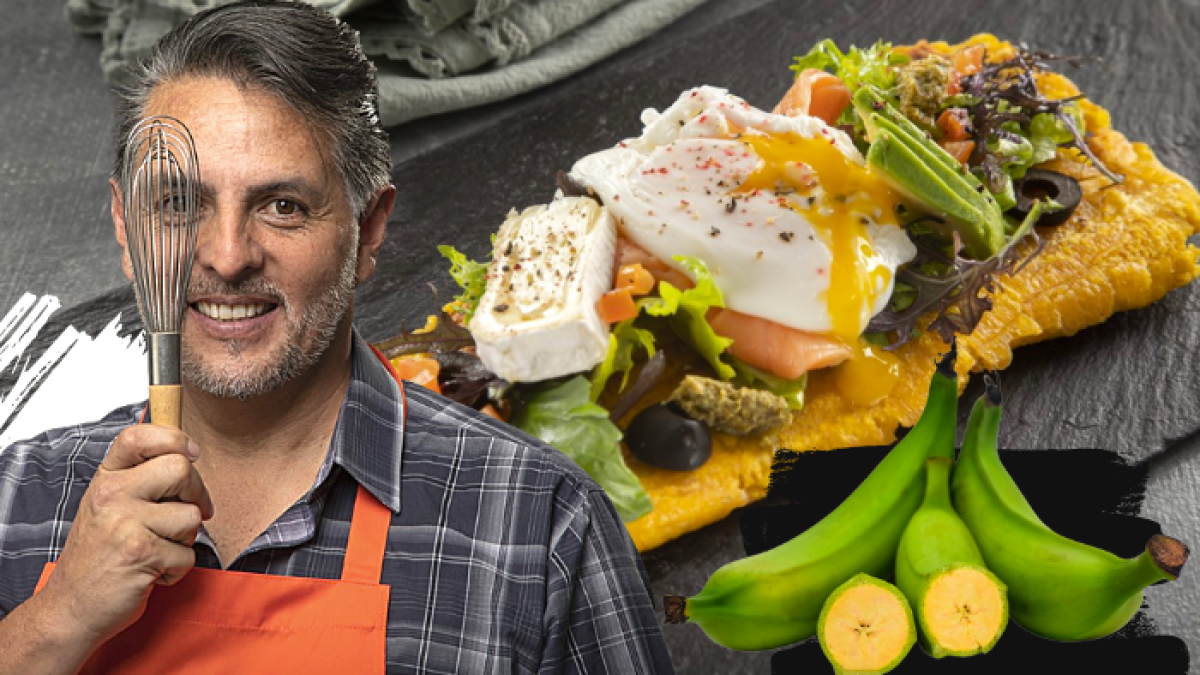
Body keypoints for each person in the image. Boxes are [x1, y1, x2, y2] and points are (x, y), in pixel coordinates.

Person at [0, 2, 674, 673]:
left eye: (282, 206)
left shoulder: (540, 522)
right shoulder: (18, 499)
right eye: (179, 203)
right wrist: (55, 618)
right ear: (125, 225)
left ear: (368, 232)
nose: (228, 256)